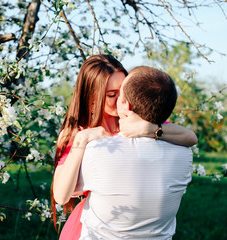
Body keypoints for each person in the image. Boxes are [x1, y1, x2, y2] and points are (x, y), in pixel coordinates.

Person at [51, 55, 197, 239]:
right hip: (95, 225)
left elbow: (190, 137)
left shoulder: (137, 120)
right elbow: (61, 196)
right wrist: (81, 140)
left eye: (124, 90)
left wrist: (150, 129)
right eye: (112, 94)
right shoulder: (77, 132)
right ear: (91, 97)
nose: (122, 100)